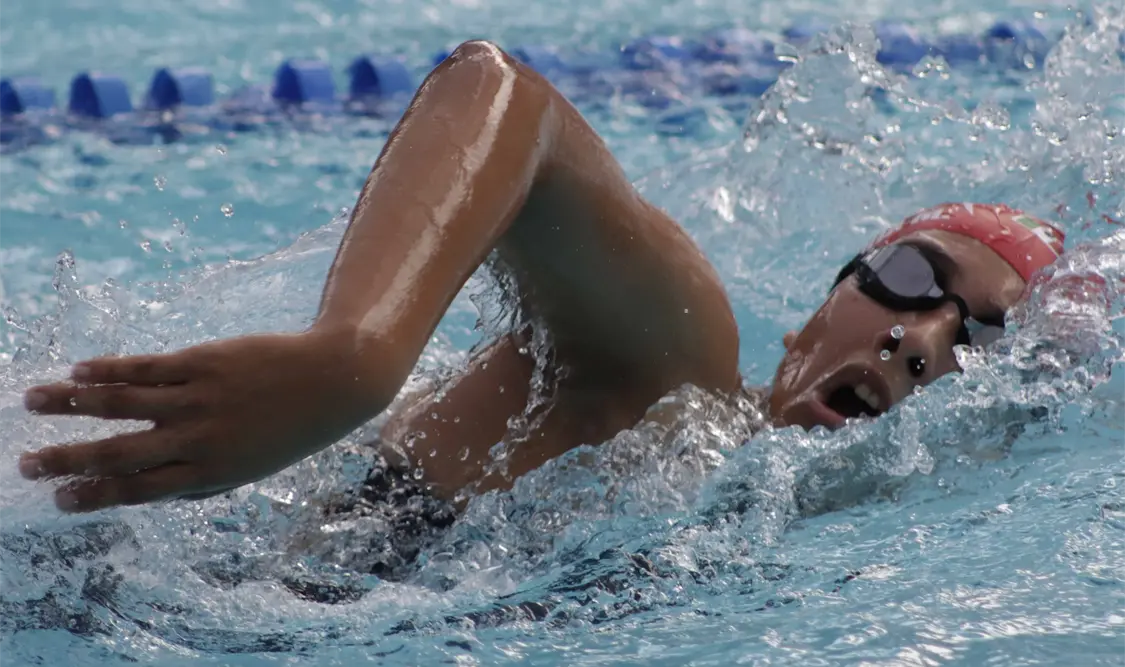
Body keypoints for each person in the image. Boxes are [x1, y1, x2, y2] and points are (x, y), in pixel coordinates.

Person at [16, 40, 1066, 516]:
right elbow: (501, 96)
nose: (920, 336)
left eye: (977, 340)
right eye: (908, 275)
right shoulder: (673, 365)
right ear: (818, 308)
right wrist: (358, 355)